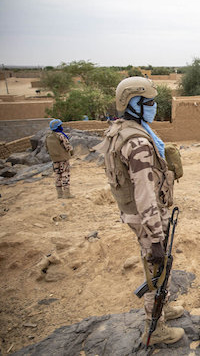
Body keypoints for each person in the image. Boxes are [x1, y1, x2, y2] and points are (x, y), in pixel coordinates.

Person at [95, 77, 184, 345]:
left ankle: (163, 307)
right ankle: (155, 329)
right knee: (156, 269)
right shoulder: (138, 143)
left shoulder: (121, 129)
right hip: (148, 216)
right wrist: (156, 235)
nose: (155, 106)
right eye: (150, 102)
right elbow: (144, 192)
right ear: (135, 103)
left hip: (140, 214)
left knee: (161, 267)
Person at [46, 119, 74, 199]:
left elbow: (47, 148)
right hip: (63, 159)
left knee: (57, 175)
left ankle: (59, 193)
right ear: (58, 127)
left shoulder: (48, 137)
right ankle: (67, 193)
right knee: (65, 174)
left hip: (54, 159)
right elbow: (68, 147)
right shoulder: (60, 136)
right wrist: (71, 152)